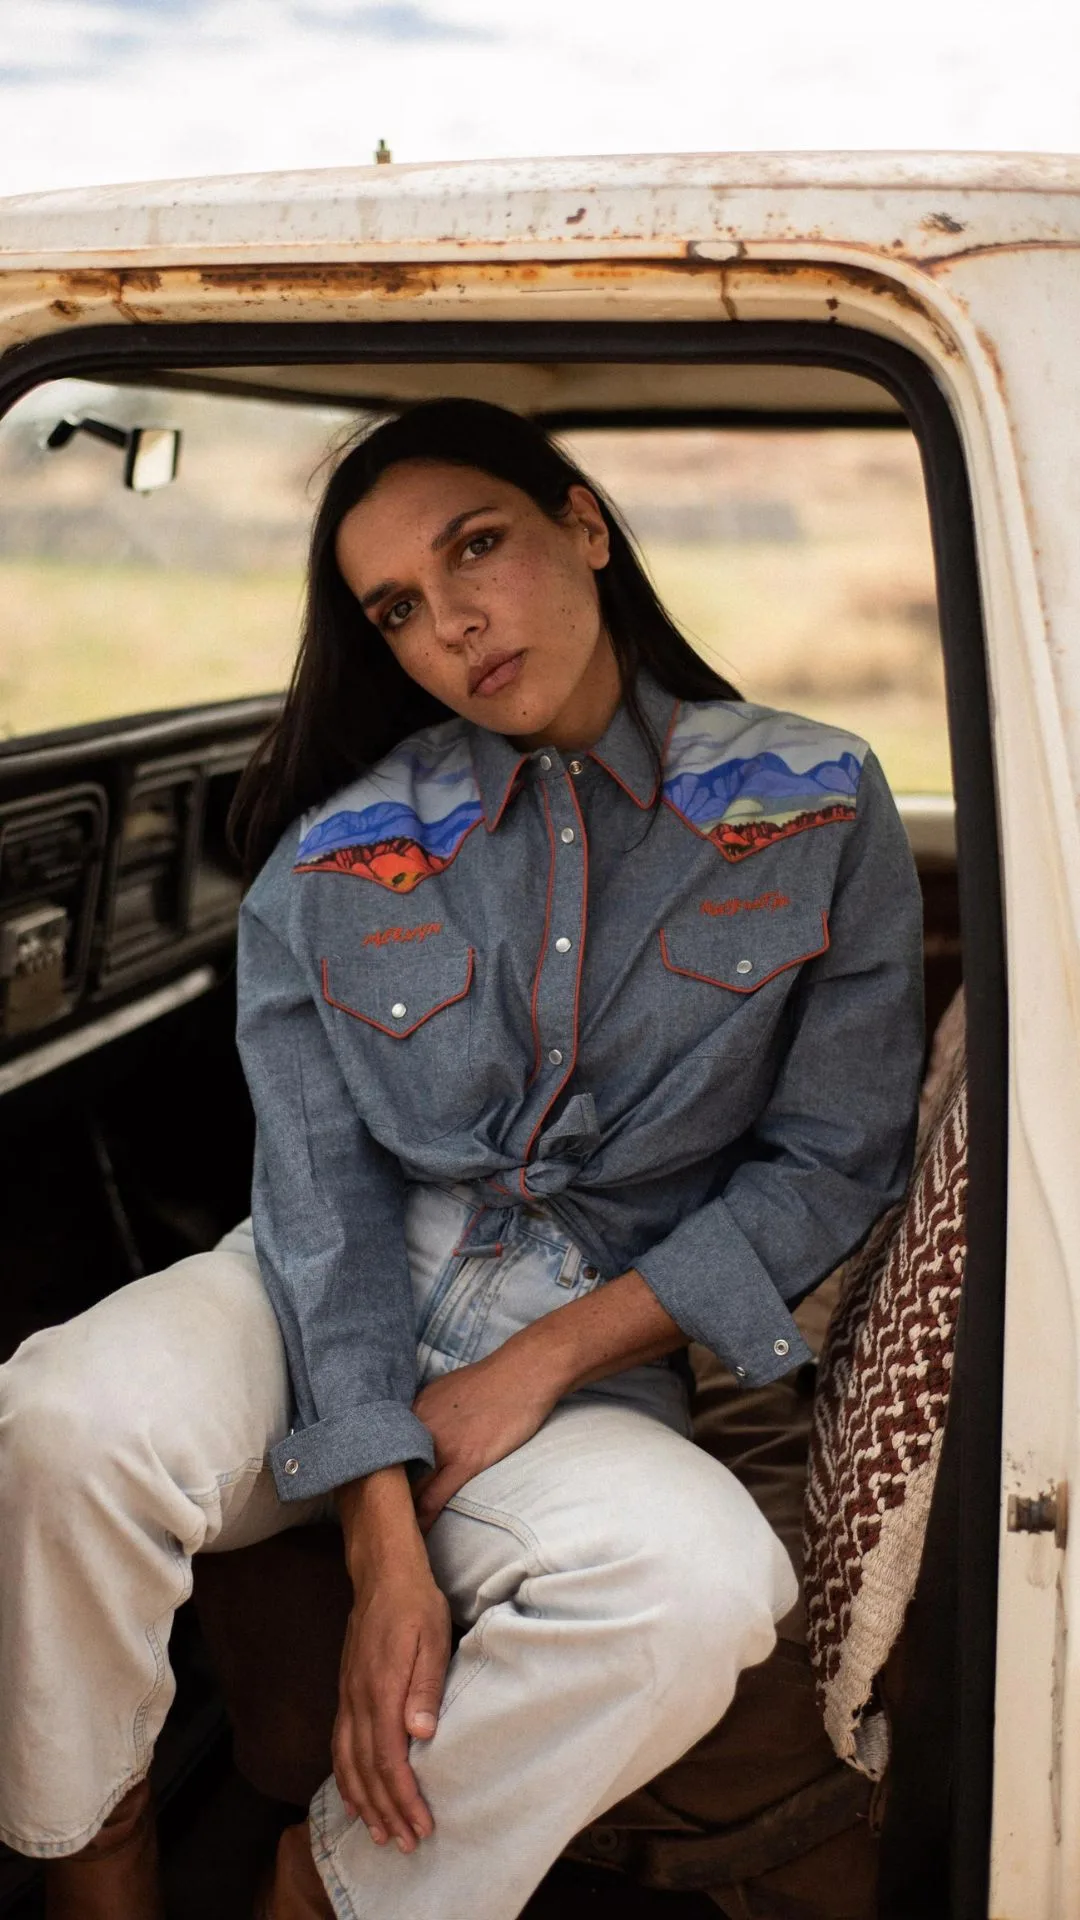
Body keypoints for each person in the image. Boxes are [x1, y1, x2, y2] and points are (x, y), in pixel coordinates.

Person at [0, 399, 925, 1920]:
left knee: (700, 1591)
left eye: (477, 547)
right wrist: (381, 1529)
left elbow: (828, 1164)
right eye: (400, 610)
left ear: (586, 523)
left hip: (600, 1327)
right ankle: (99, 1860)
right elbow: (323, 1190)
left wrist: (542, 1360)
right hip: (322, 1295)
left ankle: (330, 1884)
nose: (455, 625)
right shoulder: (342, 849)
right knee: (60, 1415)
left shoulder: (814, 802)